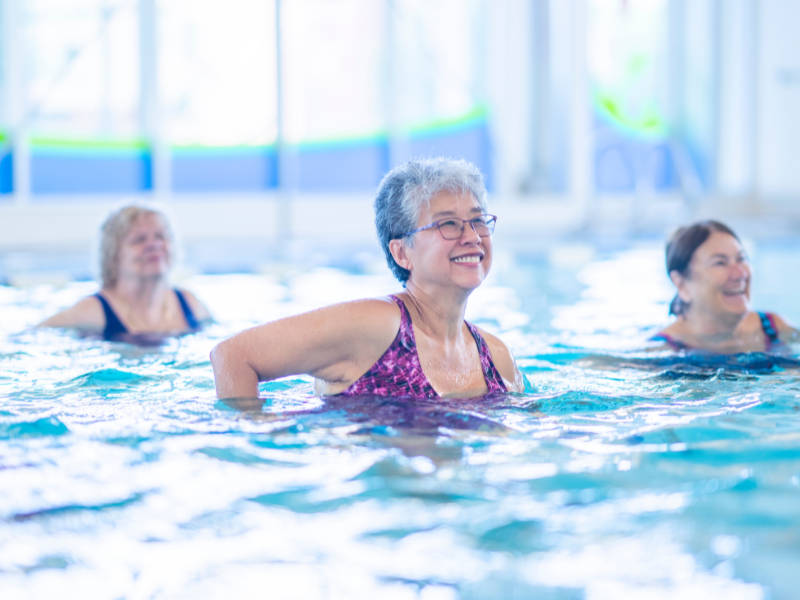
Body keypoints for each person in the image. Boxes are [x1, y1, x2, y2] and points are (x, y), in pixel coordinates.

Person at [210, 157, 525, 399]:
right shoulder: (379, 326)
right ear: (402, 253)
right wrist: (258, 451)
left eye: (477, 220)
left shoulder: (497, 358)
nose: (471, 236)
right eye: (449, 224)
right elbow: (233, 355)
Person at [39, 204, 211, 342]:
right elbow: (31, 338)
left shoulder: (190, 305)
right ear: (113, 256)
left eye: (161, 236)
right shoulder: (94, 310)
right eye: (139, 240)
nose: (154, 245)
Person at [652, 220, 797, 353]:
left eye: (741, 259)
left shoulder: (774, 329)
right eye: (720, 263)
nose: (740, 273)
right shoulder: (660, 352)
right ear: (682, 284)